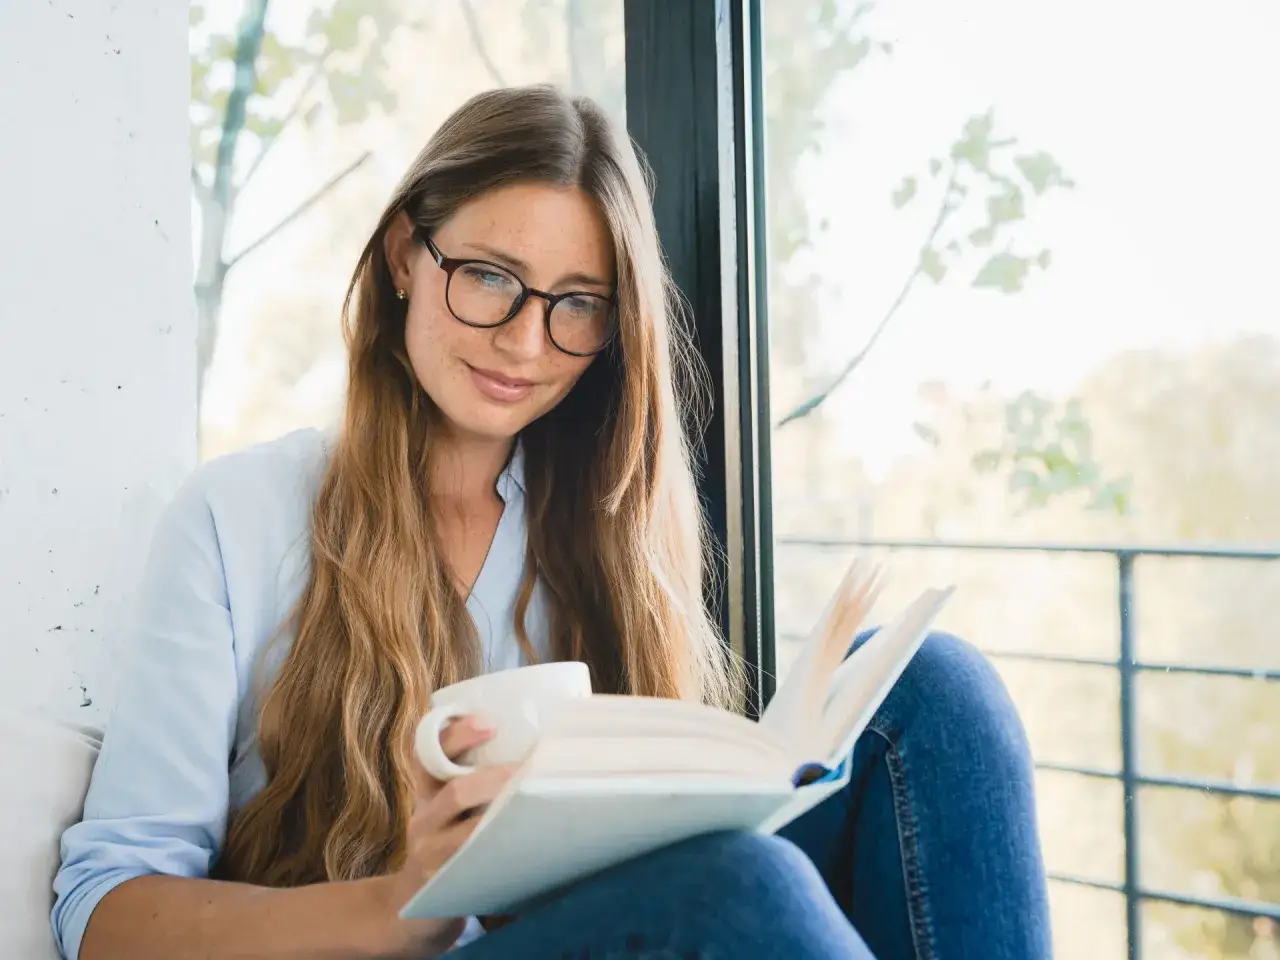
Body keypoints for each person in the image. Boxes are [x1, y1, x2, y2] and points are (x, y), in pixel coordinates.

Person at [52, 85, 1051, 960]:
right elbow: (104, 917)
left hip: (617, 934)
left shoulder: (605, 530)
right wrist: (399, 905)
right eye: (487, 276)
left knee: (935, 690)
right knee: (742, 888)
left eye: (576, 303)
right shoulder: (239, 516)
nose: (525, 343)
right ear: (406, 255)